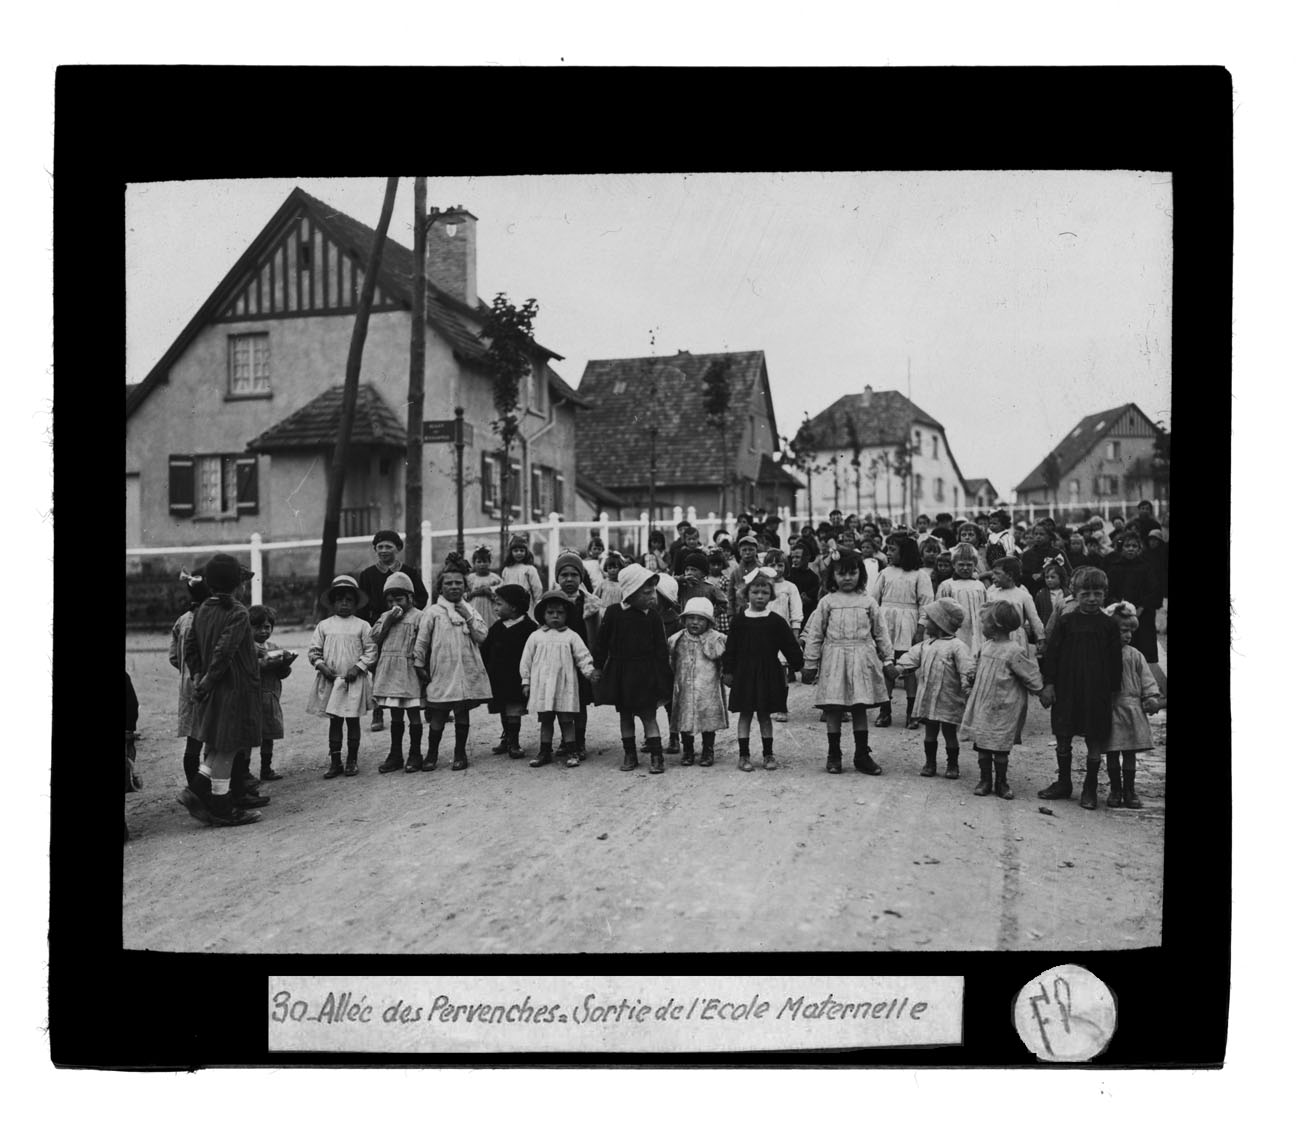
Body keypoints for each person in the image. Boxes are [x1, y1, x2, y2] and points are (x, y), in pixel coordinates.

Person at [179, 552, 264, 826]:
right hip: (233, 688)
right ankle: (222, 805)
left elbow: (191, 647)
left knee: (217, 744)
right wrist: (209, 679)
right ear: (238, 584)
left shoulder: (202, 608)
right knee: (228, 747)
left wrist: (198, 676)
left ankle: (196, 790)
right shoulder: (237, 611)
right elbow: (224, 651)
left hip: (212, 688)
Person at [801, 549, 895, 776]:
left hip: (862, 659)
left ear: (860, 574)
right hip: (834, 659)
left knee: (859, 706)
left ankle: (862, 754)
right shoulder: (827, 602)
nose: (847, 578)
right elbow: (815, 634)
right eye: (841, 574)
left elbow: (881, 632)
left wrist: (888, 658)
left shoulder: (868, 601)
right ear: (832, 576)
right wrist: (810, 663)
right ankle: (834, 753)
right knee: (833, 708)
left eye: (852, 573)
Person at [1037, 566, 1124, 808]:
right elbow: (1051, 656)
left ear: (1105, 594)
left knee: (1094, 737)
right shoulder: (1065, 622)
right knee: (1063, 735)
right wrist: (1049, 684)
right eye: (1085, 593)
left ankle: (1090, 788)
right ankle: (1064, 782)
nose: (1092, 599)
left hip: (1096, 691)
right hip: (1067, 689)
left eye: (1097, 593)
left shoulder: (1109, 626)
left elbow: (1116, 663)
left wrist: (1114, 693)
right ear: (1074, 594)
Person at [960, 601, 1048, 799]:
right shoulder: (986, 647)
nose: (981, 626)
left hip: (1004, 706)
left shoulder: (1014, 651)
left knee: (1000, 746)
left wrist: (1041, 691)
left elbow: (1029, 673)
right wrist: (970, 677)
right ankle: (985, 780)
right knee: (982, 743)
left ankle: (1001, 781)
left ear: (995, 625)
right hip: (984, 703)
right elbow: (975, 664)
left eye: (984, 622)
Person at [594, 563, 674, 774]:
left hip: (645, 673)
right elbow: (602, 643)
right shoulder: (613, 613)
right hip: (621, 672)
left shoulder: (653, 616)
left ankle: (657, 757)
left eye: (653, 591)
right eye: (646, 592)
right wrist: (598, 667)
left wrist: (663, 675)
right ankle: (630, 754)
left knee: (649, 716)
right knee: (625, 715)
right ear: (631, 593)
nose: (652, 597)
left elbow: (661, 650)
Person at [413, 565, 493, 772]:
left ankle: (460, 752)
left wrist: (467, 615)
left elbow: (482, 636)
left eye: (459, 583)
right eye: (449, 583)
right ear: (440, 588)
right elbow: (422, 641)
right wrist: (419, 664)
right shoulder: (433, 613)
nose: (454, 586)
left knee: (462, 712)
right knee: (438, 714)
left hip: (465, 671)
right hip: (443, 671)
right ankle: (432, 754)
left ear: (465, 586)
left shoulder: (470, 610)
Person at [722, 572, 804, 772]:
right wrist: (728, 671)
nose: (760, 596)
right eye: (755, 592)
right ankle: (744, 756)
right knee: (745, 714)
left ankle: (768, 754)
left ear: (771, 596)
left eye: (765, 592)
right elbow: (730, 648)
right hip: (745, 672)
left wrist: (800, 665)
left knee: (765, 715)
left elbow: (789, 645)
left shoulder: (776, 621)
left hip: (768, 671)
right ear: (746, 593)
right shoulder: (739, 621)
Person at [306, 575, 377, 780]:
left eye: (349, 600)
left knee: (352, 721)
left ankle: (352, 759)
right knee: (335, 722)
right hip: (332, 680)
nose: (344, 603)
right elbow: (313, 651)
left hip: (353, 681)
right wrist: (322, 667)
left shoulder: (362, 625)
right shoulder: (324, 626)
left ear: (355, 603)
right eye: (339, 600)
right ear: (333, 602)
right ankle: (335, 761)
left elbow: (371, 650)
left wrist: (359, 666)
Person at [358, 530, 429, 733]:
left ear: (398, 548)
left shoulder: (409, 572)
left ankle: (421, 703)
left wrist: (408, 613)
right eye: (379, 547)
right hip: (379, 627)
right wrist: (377, 620)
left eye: (388, 546)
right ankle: (379, 709)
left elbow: (421, 597)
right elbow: (362, 604)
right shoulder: (368, 574)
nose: (383, 550)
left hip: (405, 627)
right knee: (379, 668)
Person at [896, 599, 975, 780]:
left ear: (940, 623)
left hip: (949, 699)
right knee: (930, 731)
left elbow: (966, 668)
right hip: (928, 699)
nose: (925, 623)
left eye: (929, 620)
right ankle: (930, 762)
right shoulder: (926, 645)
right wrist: (898, 668)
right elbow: (911, 657)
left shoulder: (958, 646)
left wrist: (967, 684)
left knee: (949, 732)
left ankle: (952, 764)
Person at [521, 589, 600, 769]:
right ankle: (544, 751)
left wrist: (589, 671)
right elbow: (526, 660)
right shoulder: (536, 636)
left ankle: (572, 751)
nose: (555, 616)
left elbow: (583, 656)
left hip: (565, 686)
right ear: (543, 615)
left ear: (567, 615)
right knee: (546, 720)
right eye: (550, 612)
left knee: (566, 720)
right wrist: (526, 681)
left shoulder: (571, 636)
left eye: (560, 612)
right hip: (543, 687)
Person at [870, 536, 934, 729]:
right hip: (886, 623)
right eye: (887, 549)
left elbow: (926, 603)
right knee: (886, 666)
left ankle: (912, 712)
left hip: (908, 624)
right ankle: (885, 710)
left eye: (892, 549)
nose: (888, 553)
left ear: (905, 552)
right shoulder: (885, 573)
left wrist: (920, 629)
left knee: (909, 669)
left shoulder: (920, 575)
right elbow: (874, 599)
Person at [367, 573, 426, 774]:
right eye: (390, 600)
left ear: (410, 597)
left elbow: (425, 642)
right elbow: (374, 638)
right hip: (390, 670)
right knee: (395, 715)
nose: (394, 604)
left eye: (399, 599)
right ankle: (395, 754)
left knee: (413, 712)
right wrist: (388, 620)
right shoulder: (385, 617)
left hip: (409, 670)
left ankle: (415, 753)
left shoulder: (419, 616)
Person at [550, 551, 605, 757]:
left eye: (574, 575)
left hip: (581, 660)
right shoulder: (552, 602)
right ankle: (566, 740)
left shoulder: (589, 603)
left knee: (579, 702)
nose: (569, 579)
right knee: (561, 702)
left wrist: (596, 662)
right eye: (564, 575)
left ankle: (579, 740)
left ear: (581, 577)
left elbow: (597, 634)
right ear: (558, 578)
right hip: (558, 660)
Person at [668, 597, 729, 767]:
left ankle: (708, 750)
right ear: (684, 619)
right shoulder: (676, 640)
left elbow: (724, 661)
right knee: (684, 717)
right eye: (691, 618)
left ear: (709, 622)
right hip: (684, 686)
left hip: (707, 687)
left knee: (708, 719)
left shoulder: (717, 639)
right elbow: (671, 662)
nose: (695, 622)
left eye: (701, 619)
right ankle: (688, 750)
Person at [481, 585, 535, 761]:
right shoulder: (497, 627)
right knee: (504, 709)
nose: (495, 608)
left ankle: (514, 742)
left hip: (517, 678)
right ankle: (507, 737)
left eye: (499, 604)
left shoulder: (529, 628)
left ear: (513, 606)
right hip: (499, 677)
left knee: (514, 709)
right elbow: (486, 651)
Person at [169, 571, 209, 786]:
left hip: (187, 685)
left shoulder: (182, 620)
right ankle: (204, 787)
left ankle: (194, 786)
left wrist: (186, 671)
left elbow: (174, 657)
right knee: (213, 739)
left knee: (193, 741)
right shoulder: (208, 619)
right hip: (206, 683)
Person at [250, 605, 295, 782]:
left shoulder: (273, 647)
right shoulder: (247, 648)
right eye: (257, 627)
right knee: (250, 735)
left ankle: (266, 768)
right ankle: (244, 771)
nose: (263, 631)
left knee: (269, 734)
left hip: (270, 696)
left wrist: (285, 663)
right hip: (252, 697)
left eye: (267, 627)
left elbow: (282, 674)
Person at [1104, 530, 1162, 667]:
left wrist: (1141, 608)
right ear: (1121, 548)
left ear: (1139, 548)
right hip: (1120, 615)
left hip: (1143, 616)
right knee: (1121, 654)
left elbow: (1154, 591)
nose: (1131, 549)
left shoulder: (1146, 567)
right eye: (1127, 546)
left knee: (1142, 655)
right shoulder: (1114, 568)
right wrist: (1118, 607)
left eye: (1134, 546)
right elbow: (1108, 592)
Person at [985, 557, 1046, 657]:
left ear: (1009, 575)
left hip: (1017, 637)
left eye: (997, 574)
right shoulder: (991, 595)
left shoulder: (1023, 596)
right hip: (997, 636)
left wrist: (1040, 637)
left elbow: (1034, 618)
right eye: (993, 573)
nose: (993, 577)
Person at [937, 545, 988, 656]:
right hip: (955, 633)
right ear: (954, 565)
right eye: (961, 565)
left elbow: (985, 610)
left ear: (975, 565)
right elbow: (940, 613)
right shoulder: (947, 585)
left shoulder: (979, 586)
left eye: (969, 565)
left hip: (977, 632)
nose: (965, 568)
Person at [676, 548, 731, 632]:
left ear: (703, 573)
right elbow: (669, 583)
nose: (689, 573)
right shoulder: (683, 586)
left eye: (693, 570)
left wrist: (711, 614)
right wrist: (681, 579)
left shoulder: (710, 587)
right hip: (686, 626)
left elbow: (723, 602)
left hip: (705, 627)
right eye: (687, 570)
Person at [464, 546, 503, 629]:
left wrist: (488, 592)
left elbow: (499, 595)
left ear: (489, 562)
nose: (482, 564)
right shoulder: (470, 578)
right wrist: (474, 593)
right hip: (475, 606)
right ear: (474, 563)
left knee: (491, 626)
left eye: (485, 561)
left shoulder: (495, 578)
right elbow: (466, 594)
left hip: (490, 608)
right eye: (479, 562)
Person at [500, 535, 544, 608]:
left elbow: (537, 588)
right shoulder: (507, 570)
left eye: (521, 550)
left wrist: (537, 602)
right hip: (510, 603)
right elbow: (504, 586)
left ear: (526, 552)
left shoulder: (530, 569)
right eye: (516, 551)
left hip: (525, 603)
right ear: (511, 552)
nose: (519, 553)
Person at [1034, 558, 1070, 628]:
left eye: (1052, 577)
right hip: (1046, 627)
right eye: (1047, 577)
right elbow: (1037, 613)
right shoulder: (1041, 594)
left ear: (1060, 578)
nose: (1049, 580)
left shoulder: (1067, 593)